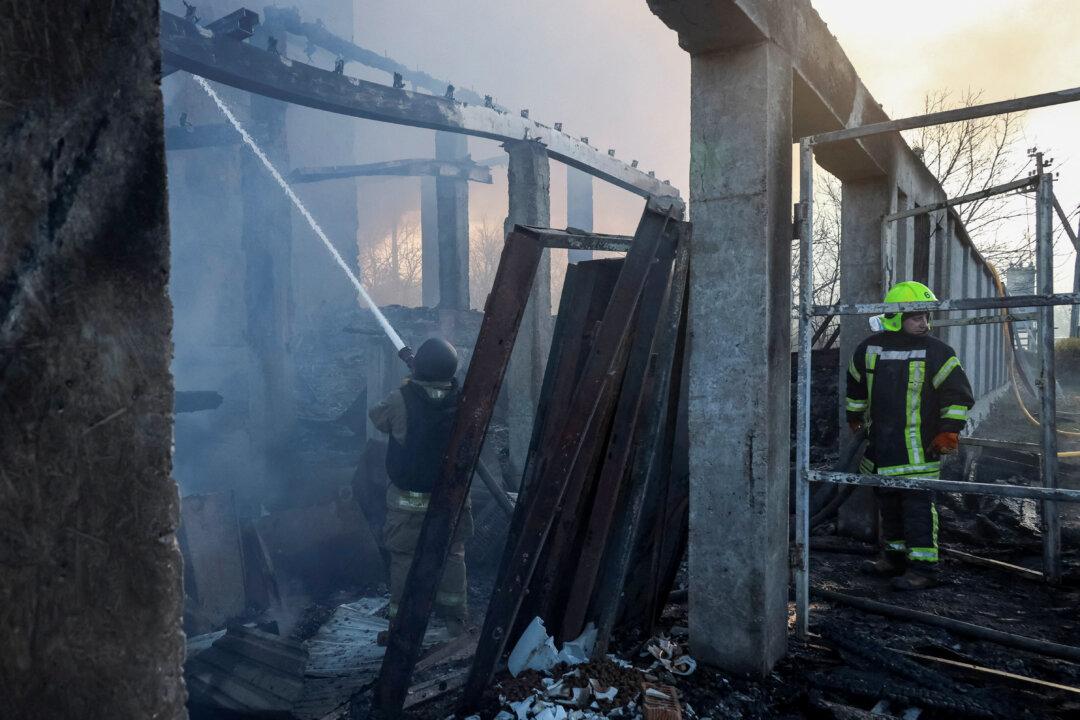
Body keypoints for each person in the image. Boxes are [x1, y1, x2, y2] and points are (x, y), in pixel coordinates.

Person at [845, 281, 974, 591]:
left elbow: (958, 394)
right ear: (895, 316)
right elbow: (856, 386)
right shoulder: (869, 348)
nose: (924, 323)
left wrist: (949, 431)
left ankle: (924, 569)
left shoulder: (938, 352)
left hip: (919, 449)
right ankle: (894, 558)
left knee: (917, 509)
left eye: (926, 317)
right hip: (882, 447)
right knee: (888, 505)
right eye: (916, 317)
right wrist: (854, 417)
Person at [369, 337, 472, 637]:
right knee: (452, 556)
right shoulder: (464, 398)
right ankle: (457, 622)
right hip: (451, 499)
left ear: (420, 369)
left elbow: (377, 416)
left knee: (404, 560)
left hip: (407, 505)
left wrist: (409, 385)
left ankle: (400, 626)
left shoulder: (401, 399)